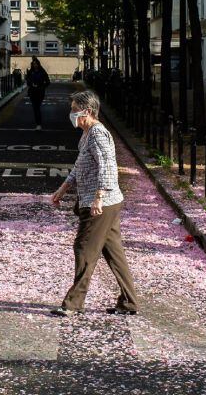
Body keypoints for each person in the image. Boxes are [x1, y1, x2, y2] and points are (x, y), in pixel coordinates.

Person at [50, 90, 140, 316]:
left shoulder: (98, 134)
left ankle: (73, 303)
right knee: (114, 253)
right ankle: (129, 302)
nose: (71, 114)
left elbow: (108, 167)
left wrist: (99, 197)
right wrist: (63, 189)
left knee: (84, 248)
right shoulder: (88, 134)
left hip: (100, 204)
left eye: (74, 110)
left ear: (87, 111)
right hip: (104, 202)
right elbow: (81, 166)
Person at [25, 57, 50, 130]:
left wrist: (42, 87)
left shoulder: (42, 72)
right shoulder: (30, 72)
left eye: (36, 64)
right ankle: (38, 123)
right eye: (33, 64)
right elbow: (28, 81)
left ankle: (39, 123)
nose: (35, 65)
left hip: (40, 92)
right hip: (32, 92)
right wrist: (31, 84)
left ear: (38, 64)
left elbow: (48, 82)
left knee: (37, 107)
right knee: (35, 108)